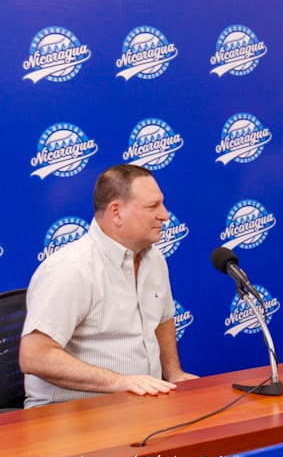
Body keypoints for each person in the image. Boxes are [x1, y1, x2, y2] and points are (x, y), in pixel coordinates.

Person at [19, 164, 197, 408]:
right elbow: (34, 356)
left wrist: (173, 372)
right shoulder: (71, 269)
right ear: (116, 212)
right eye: (152, 206)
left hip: (141, 409)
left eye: (162, 204)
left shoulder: (154, 259)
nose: (165, 215)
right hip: (67, 417)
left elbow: (163, 318)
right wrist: (119, 382)